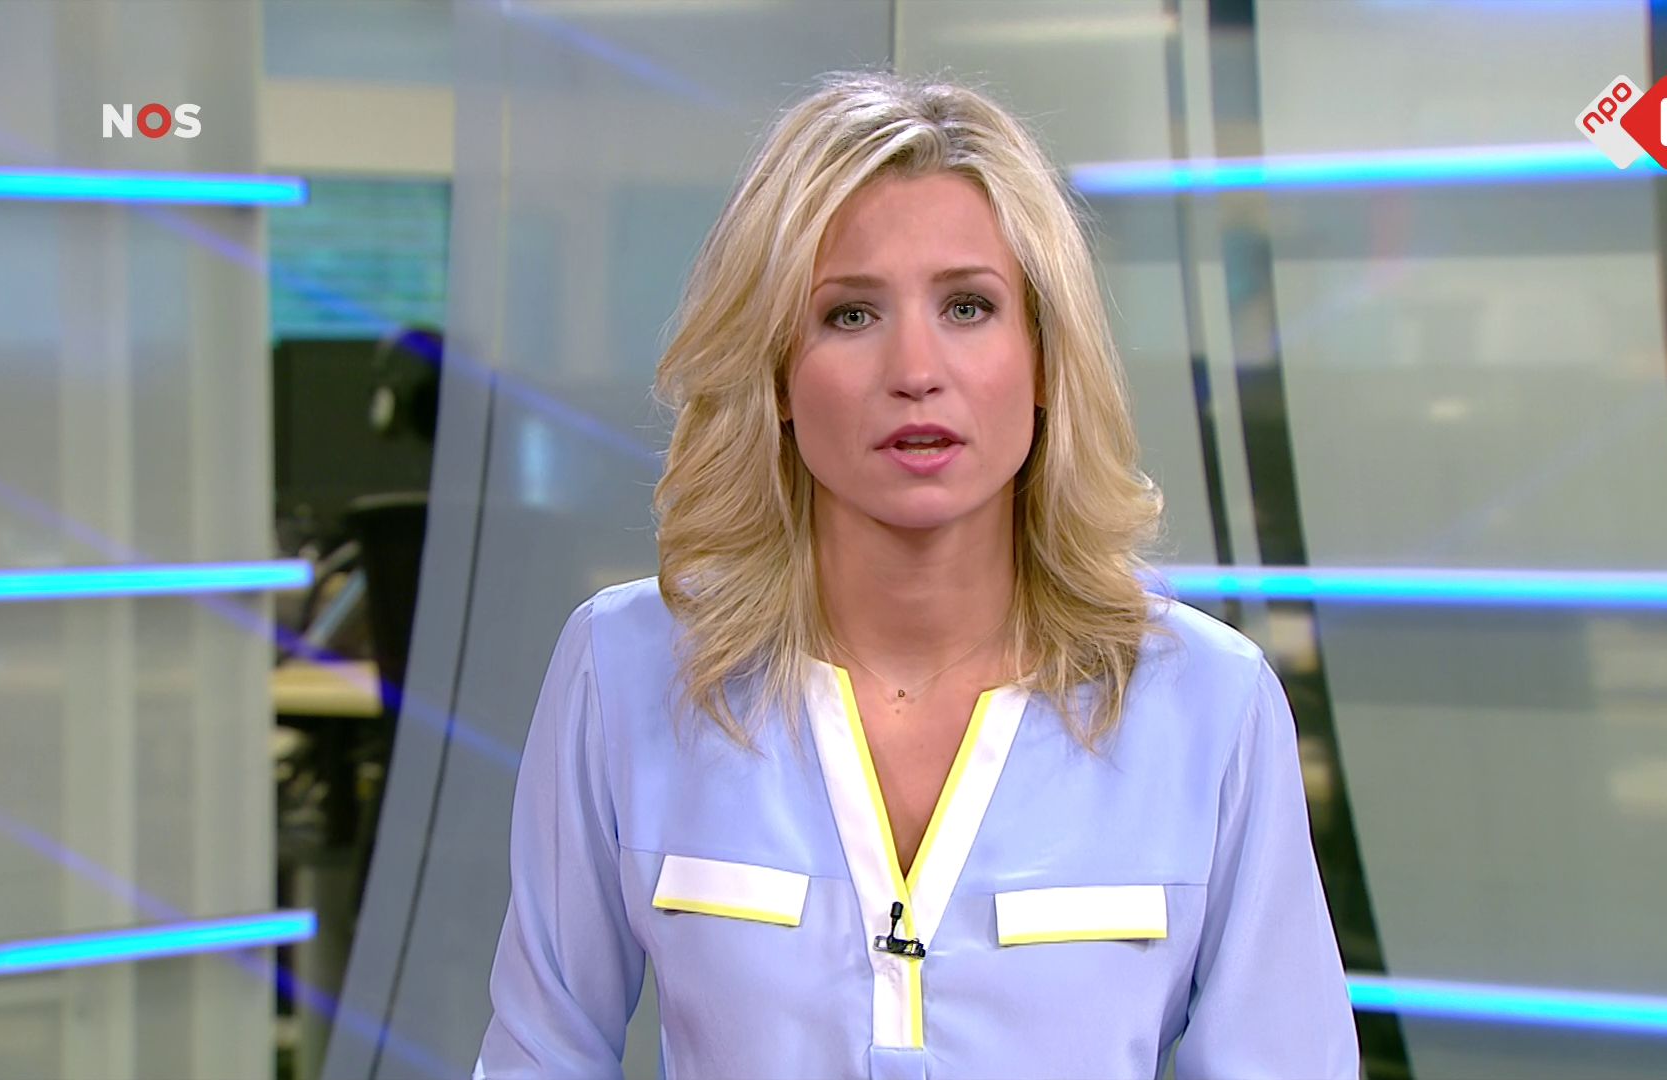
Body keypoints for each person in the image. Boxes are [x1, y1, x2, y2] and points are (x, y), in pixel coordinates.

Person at [474, 70, 1358, 1080]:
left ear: (1045, 360)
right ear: (777, 374)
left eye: (969, 307)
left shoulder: (1210, 703)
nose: (916, 371)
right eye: (851, 315)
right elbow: (541, 1057)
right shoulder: (624, 668)